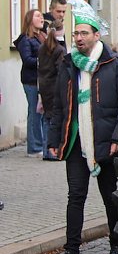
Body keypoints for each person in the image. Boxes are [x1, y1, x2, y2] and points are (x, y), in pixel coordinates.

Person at [48, 2, 118, 254]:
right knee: (75, 196)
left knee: (111, 197)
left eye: (84, 33)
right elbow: (59, 105)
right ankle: (71, 253)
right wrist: (53, 140)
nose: (79, 38)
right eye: (76, 34)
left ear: (97, 35)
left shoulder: (115, 64)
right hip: (75, 141)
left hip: (105, 142)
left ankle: (117, 246)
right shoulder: (68, 64)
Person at [14, 9, 46, 158]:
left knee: (40, 112)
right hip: (31, 80)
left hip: (41, 80)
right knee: (34, 112)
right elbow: (27, 60)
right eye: (38, 16)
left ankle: (40, 144)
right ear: (30, 20)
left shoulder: (41, 37)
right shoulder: (25, 39)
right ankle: (34, 147)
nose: (42, 18)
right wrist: (44, 61)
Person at [38, 19, 66, 160]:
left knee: (45, 118)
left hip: (44, 86)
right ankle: (51, 151)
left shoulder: (43, 47)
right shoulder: (60, 50)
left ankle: (45, 151)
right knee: (53, 119)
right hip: (54, 87)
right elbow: (61, 71)